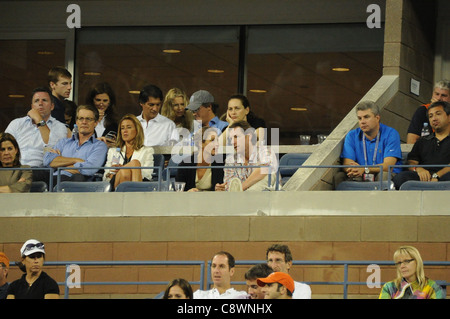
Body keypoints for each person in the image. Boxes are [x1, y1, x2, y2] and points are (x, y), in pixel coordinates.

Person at [5, 87, 69, 185]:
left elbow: (51, 147)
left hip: (40, 170)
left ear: (52, 106)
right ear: (32, 106)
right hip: (14, 168)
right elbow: (4, 145)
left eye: (44, 100)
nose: (40, 103)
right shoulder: (17, 123)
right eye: (36, 101)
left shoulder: (60, 127)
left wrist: (39, 120)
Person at [335, 100, 402, 188]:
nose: (362, 121)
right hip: (360, 175)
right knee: (339, 176)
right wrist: (355, 170)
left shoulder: (391, 134)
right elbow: (347, 163)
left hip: (382, 174)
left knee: (384, 175)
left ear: (377, 118)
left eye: (366, 117)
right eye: (360, 118)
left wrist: (365, 169)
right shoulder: (352, 135)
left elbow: (388, 166)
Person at [43, 104, 108, 184]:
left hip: (76, 183)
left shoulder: (99, 146)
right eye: (81, 119)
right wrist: (76, 160)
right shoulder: (63, 142)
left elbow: (89, 169)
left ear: (95, 123)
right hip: (53, 179)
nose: (84, 122)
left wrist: (59, 165)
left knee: (78, 177)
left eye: (88, 119)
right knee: (34, 172)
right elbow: (47, 161)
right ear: (77, 122)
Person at [393, 101, 450, 189]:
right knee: (400, 178)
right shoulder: (422, 141)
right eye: (431, 116)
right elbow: (411, 162)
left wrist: (437, 175)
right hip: (424, 177)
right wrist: (418, 169)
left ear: (449, 117)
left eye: (438, 114)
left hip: (445, 176)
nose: (434, 119)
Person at [215, 121, 277, 191]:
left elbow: (264, 170)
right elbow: (230, 186)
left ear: (249, 136)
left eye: (236, 137)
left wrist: (241, 188)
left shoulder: (266, 151)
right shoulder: (230, 160)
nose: (232, 142)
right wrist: (223, 188)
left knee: (269, 176)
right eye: (231, 138)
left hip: (269, 198)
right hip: (241, 199)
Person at [103, 114, 154, 191]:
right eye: (122, 128)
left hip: (139, 179)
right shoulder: (113, 151)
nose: (125, 131)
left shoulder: (147, 150)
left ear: (137, 130)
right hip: (115, 181)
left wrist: (125, 169)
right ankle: (137, 198)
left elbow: (148, 174)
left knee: (126, 171)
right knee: (135, 164)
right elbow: (105, 176)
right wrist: (111, 173)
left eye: (129, 127)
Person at [379, 246, 446, 299]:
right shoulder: (389, 287)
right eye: (399, 263)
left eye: (407, 261)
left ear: (417, 262)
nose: (402, 266)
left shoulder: (433, 287)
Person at [175, 126, 224, 191]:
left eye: (217, 140)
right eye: (212, 140)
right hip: (190, 200)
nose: (217, 144)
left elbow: (220, 188)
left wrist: (219, 189)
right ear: (201, 143)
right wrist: (188, 192)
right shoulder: (185, 164)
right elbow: (178, 191)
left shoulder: (220, 163)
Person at [407, 79, 450, 144]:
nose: (439, 98)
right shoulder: (423, 110)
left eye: (443, 95)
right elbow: (411, 140)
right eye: (437, 94)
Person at [86, 82, 119, 147]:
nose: (101, 104)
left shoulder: (115, 123)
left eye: (105, 101)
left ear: (110, 102)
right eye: (98, 100)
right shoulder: (84, 119)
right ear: (92, 100)